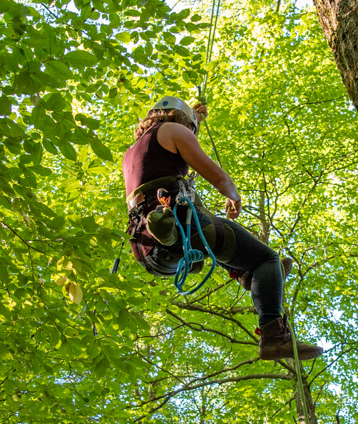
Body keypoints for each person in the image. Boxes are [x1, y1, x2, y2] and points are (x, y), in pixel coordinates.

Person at [123, 96, 323, 361]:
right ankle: (274, 335)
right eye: (190, 126)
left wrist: (195, 119)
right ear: (179, 119)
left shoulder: (134, 150)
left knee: (226, 243)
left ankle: (244, 273)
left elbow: (166, 156)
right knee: (266, 258)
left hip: (149, 244)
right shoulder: (173, 131)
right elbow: (218, 177)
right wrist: (233, 194)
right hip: (180, 225)